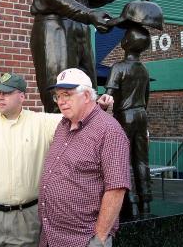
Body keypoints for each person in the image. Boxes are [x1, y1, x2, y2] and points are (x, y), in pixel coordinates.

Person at [0, 72, 113, 247]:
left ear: (22, 96)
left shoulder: (40, 122)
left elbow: (76, 117)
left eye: (7, 93)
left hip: (27, 219)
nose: (0, 97)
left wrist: (97, 106)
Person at [38, 68, 130, 247]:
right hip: (51, 235)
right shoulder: (63, 125)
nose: (61, 101)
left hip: (82, 240)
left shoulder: (109, 131)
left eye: (67, 94)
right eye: (58, 96)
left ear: (87, 96)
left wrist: (99, 240)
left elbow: (116, 189)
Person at [105, 24, 152, 218]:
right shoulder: (144, 70)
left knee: (123, 159)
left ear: (125, 43)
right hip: (142, 115)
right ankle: (146, 201)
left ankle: (130, 201)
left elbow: (109, 95)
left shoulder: (118, 67)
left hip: (125, 115)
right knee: (141, 160)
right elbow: (147, 97)